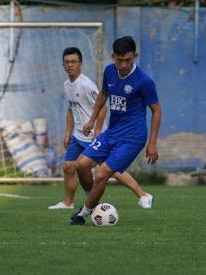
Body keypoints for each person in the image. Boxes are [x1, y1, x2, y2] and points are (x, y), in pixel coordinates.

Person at [69, 36, 161, 225]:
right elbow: (103, 94)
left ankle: (83, 214)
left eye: (128, 60)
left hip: (133, 137)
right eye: (120, 60)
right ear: (113, 57)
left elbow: (156, 110)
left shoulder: (144, 81)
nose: (124, 65)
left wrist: (152, 143)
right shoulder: (110, 71)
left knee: (102, 173)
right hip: (112, 132)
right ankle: (92, 201)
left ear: (135, 56)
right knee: (81, 165)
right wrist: (92, 120)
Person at [48, 46, 153, 210]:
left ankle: (142, 194)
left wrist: (97, 131)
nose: (70, 65)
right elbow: (71, 109)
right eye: (67, 62)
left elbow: (103, 107)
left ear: (81, 63)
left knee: (112, 170)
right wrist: (68, 133)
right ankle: (68, 203)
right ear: (63, 65)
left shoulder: (86, 85)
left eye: (74, 61)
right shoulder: (67, 85)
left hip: (93, 135)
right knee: (68, 167)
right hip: (78, 135)